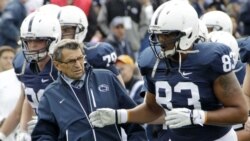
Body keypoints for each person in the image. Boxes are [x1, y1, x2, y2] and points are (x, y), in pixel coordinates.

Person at [89, 1, 248, 141]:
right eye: (157, 35)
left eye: (167, 35)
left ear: (188, 32)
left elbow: (240, 112)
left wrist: (199, 116)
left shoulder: (210, 60)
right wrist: (119, 116)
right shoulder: (152, 62)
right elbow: (153, 109)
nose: (160, 41)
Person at [31, 39, 147, 141]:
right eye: (71, 61)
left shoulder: (107, 78)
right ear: (57, 65)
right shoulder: (51, 94)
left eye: (80, 58)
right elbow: (43, 135)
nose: (78, 65)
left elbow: (133, 121)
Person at [0, 46, 21, 141]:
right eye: (5, 58)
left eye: (11, 58)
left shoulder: (23, 80)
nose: (9, 61)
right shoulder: (2, 78)